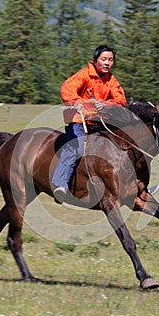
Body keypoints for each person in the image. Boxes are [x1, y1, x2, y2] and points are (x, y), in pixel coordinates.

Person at [52, 45, 127, 203]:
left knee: (123, 145)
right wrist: (78, 102)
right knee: (76, 147)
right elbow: (67, 89)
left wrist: (106, 105)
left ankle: (137, 185)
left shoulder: (111, 80)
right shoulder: (84, 74)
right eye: (104, 59)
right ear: (95, 60)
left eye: (111, 60)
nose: (107, 63)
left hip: (100, 122)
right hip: (79, 120)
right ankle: (60, 183)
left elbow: (121, 100)